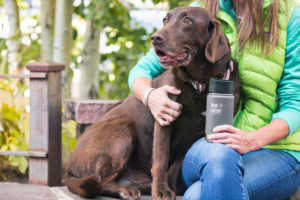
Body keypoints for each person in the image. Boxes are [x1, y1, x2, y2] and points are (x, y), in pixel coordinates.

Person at [128, 0, 300, 199]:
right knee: (220, 156)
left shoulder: (289, 16)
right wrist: (150, 96)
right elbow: (141, 70)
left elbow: (296, 104)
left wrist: (253, 139)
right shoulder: (200, 10)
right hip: (211, 148)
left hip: (275, 150)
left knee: (196, 196)